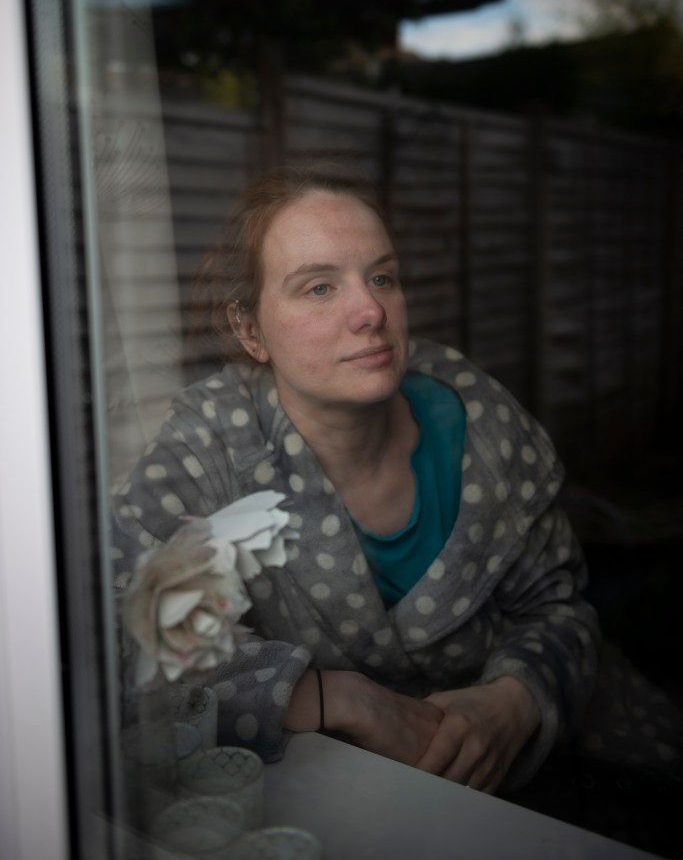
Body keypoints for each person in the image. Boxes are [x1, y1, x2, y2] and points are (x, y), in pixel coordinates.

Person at [113, 161, 682, 800]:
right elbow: (118, 640)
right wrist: (331, 696)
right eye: (319, 288)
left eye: (382, 277)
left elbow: (558, 609)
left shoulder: (480, 422)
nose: (370, 310)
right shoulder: (211, 443)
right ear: (250, 330)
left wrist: (515, 699)